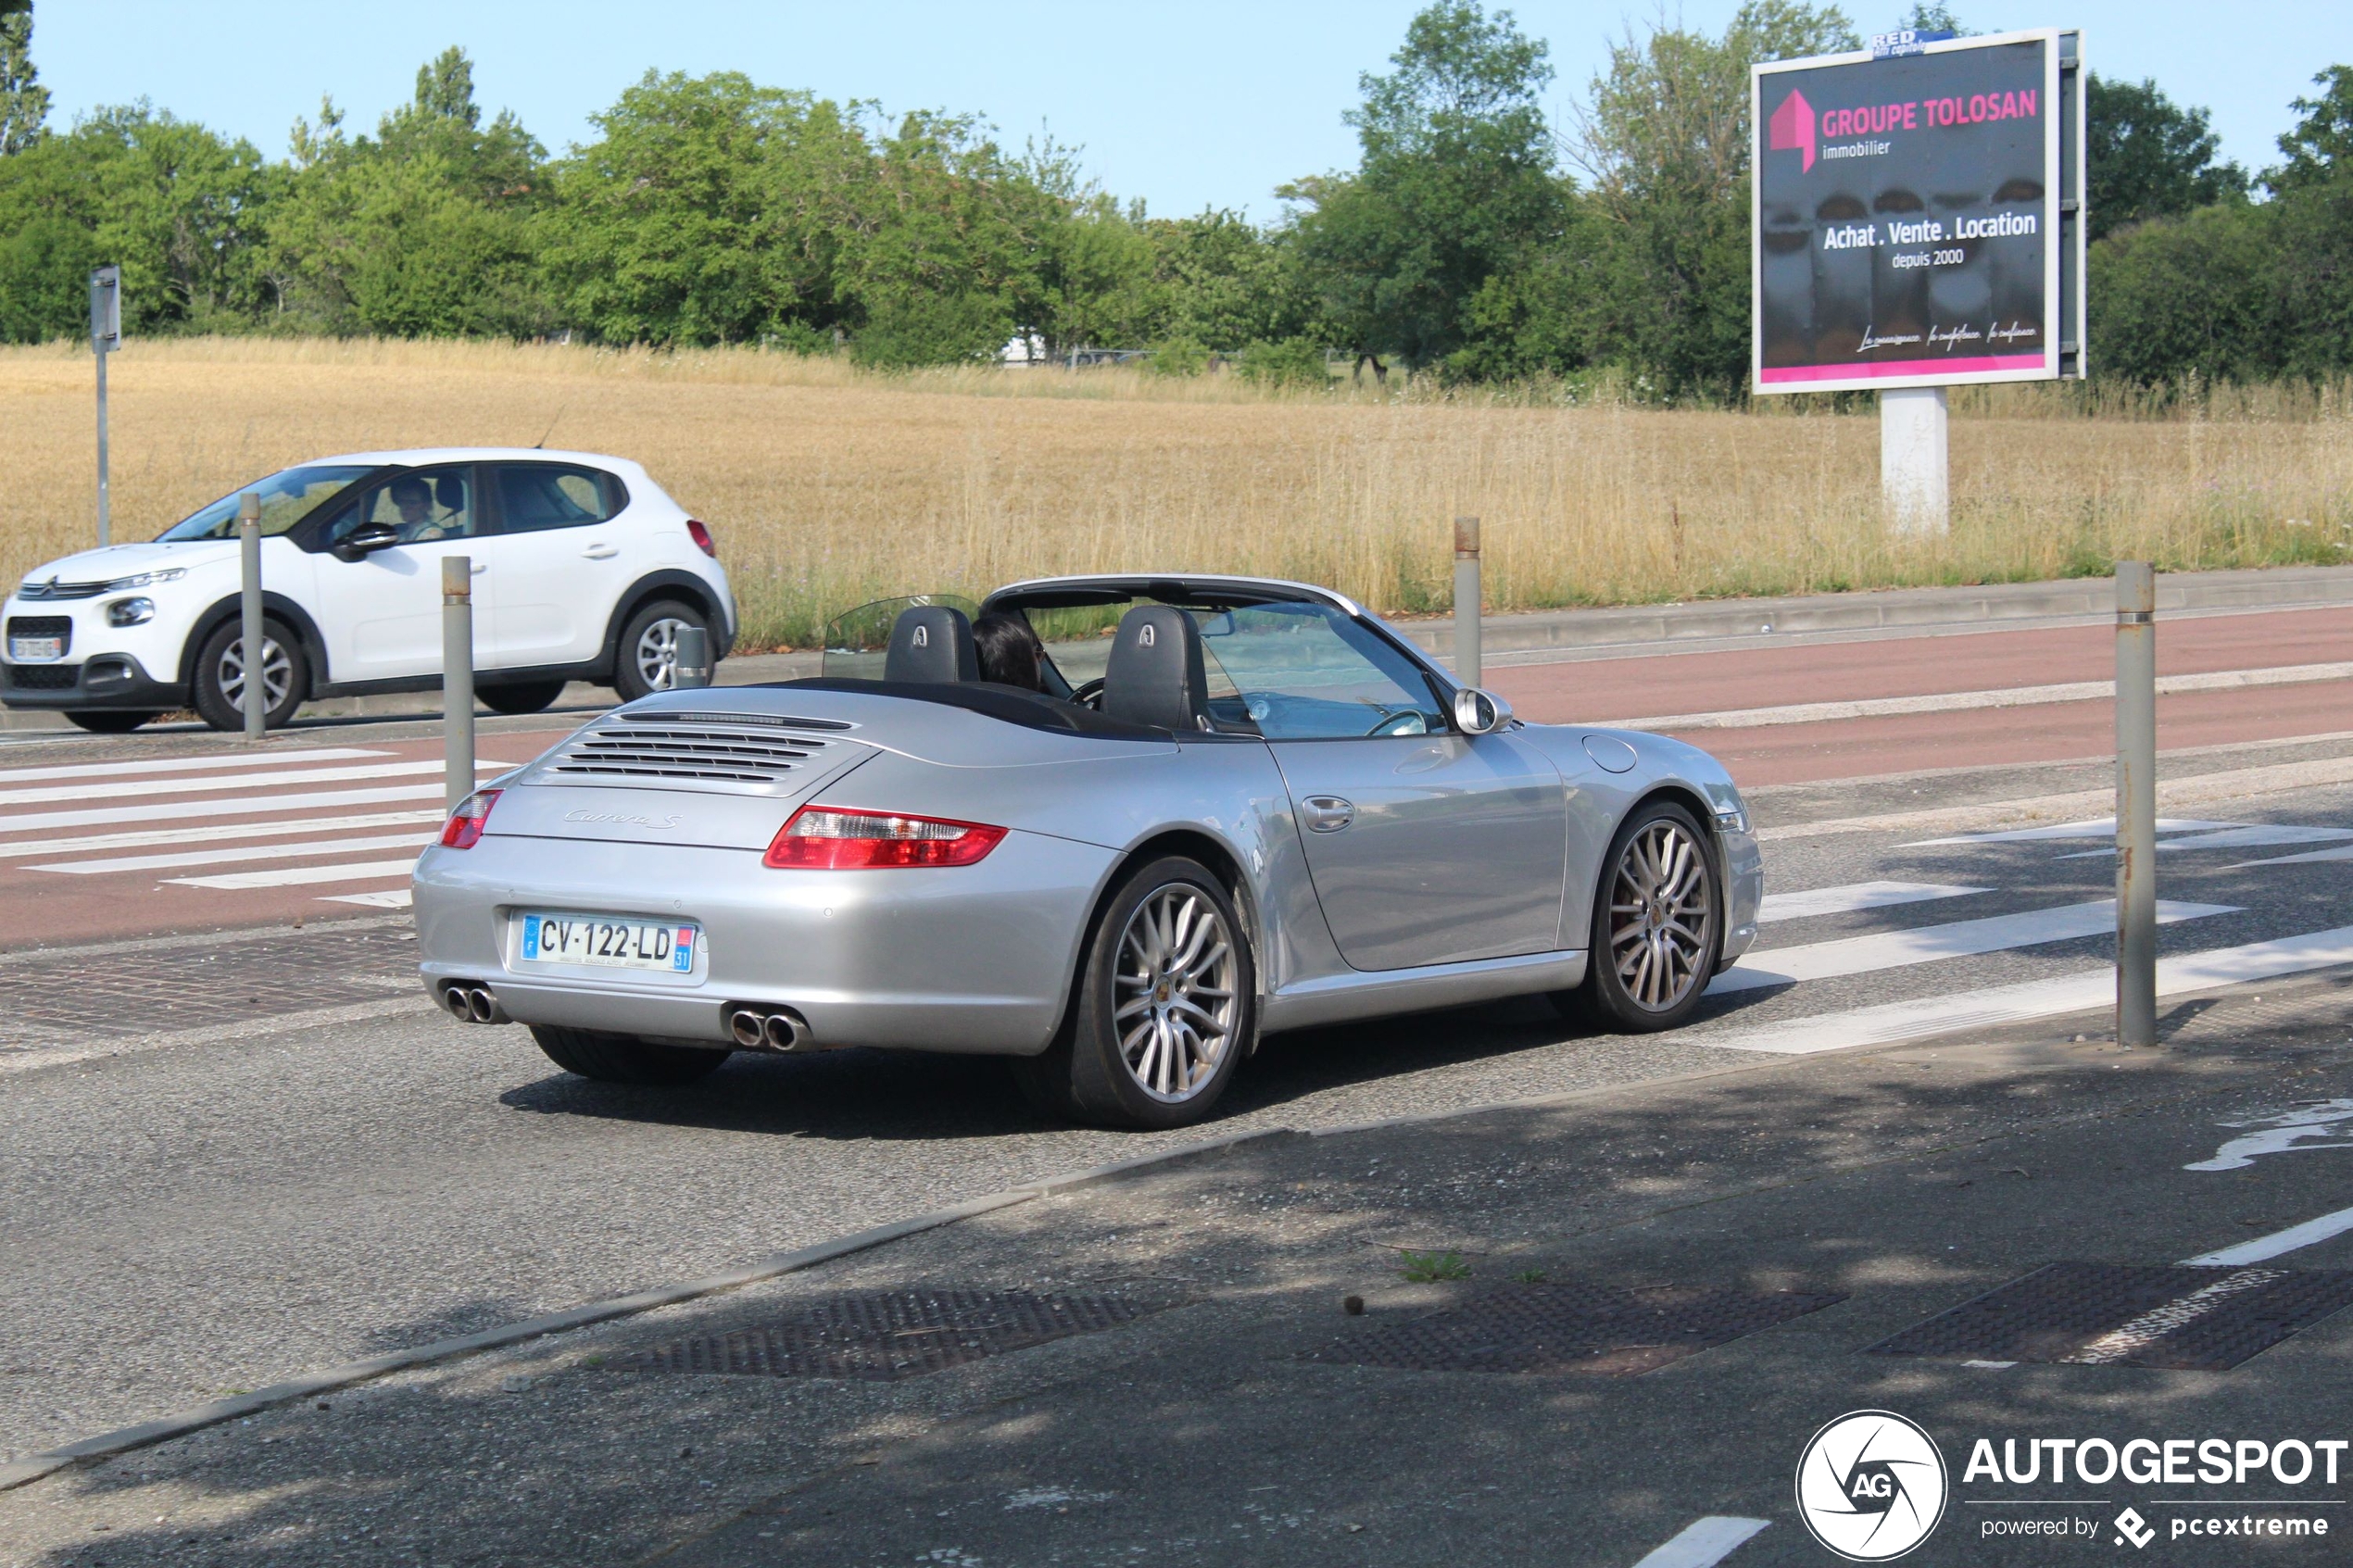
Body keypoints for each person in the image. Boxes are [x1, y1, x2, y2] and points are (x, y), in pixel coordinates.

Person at [972, 611, 1048, 691]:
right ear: (1023, 668)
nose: (1040, 661)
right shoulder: (1026, 702)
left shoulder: (967, 698)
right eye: (1038, 653)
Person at [387, 475, 451, 542]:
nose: (405, 506)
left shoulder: (432, 534)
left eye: (412, 502)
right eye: (402, 501)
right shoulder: (403, 531)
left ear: (426, 506)